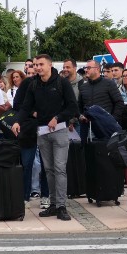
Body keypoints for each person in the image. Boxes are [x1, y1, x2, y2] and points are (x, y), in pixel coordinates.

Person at [12, 54, 79, 221]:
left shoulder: (61, 82)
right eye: (35, 65)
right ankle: (54, 204)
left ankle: (62, 206)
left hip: (60, 131)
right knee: (48, 170)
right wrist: (17, 121)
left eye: (41, 64)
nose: (37, 67)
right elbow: (26, 106)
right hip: (42, 131)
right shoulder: (33, 84)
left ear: (50, 65)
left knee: (59, 168)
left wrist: (57, 118)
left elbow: (73, 107)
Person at [78, 60, 124, 139]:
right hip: (88, 128)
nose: (86, 70)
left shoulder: (109, 84)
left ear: (97, 69)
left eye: (88, 68)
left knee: (107, 150)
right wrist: (81, 116)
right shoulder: (83, 87)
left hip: (106, 127)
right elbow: (80, 106)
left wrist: (112, 119)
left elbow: (119, 102)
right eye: (85, 68)